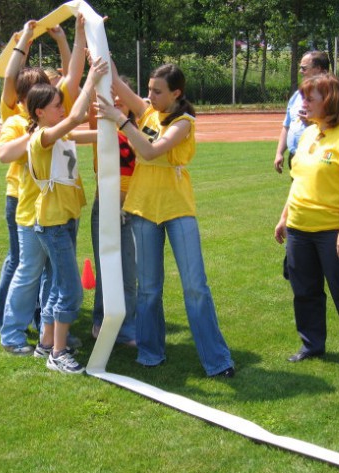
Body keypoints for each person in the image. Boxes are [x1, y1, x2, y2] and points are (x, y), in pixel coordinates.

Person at [96, 63, 235, 377]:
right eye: (148, 89)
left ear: (177, 93)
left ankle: (217, 361)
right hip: (144, 209)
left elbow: (149, 151)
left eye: (157, 91)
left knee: (195, 287)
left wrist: (121, 120)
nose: (150, 96)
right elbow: (115, 81)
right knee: (148, 289)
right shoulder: (146, 110)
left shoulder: (183, 122)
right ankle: (150, 353)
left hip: (177, 209)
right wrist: (96, 42)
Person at [274, 73, 339, 370]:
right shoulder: (308, 134)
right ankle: (312, 345)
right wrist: (284, 218)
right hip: (298, 227)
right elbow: (297, 181)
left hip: (333, 230)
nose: (303, 102)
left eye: (310, 97)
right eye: (303, 96)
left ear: (329, 101)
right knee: (304, 291)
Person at [0, 17, 85, 330]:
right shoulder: (15, 117)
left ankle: (45, 329)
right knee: (22, 267)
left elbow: (72, 76)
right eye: (38, 89)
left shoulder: (52, 114)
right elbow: (5, 154)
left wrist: (69, 37)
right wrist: (25, 39)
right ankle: (8, 325)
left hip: (56, 206)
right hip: (23, 201)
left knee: (50, 273)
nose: (47, 93)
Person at [26, 56, 108, 374]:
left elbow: (82, 135)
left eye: (61, 105)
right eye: (56, 106)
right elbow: (75, 119)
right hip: (54, 222)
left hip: (64, 218)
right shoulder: (41, 138)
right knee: (71, 289)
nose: (62, 109)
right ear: (40, 112)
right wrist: (92, 78)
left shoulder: (57, 135)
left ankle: (47, 343)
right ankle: (57, 354)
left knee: (58, 284)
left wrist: (116, 132)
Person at [88, 76, 136, 346]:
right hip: (104, 208)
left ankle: (128, 328)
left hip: (132, 210)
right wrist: (95, 75)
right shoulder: (102, 128)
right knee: (106, 268)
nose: (118, 101)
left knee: (129, 273)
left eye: (121, 96)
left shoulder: (135, 132)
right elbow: (89, 110)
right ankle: (100, 321)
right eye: (112, 96)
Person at [274, 51, 339, 174]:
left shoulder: (338, 95)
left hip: (323, 158)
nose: (300, 71)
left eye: (304, 68)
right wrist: (279, 153)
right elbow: (287, 125)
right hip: (297, 155)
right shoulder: (298, 95)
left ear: (318, 69)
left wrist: (313, 123)